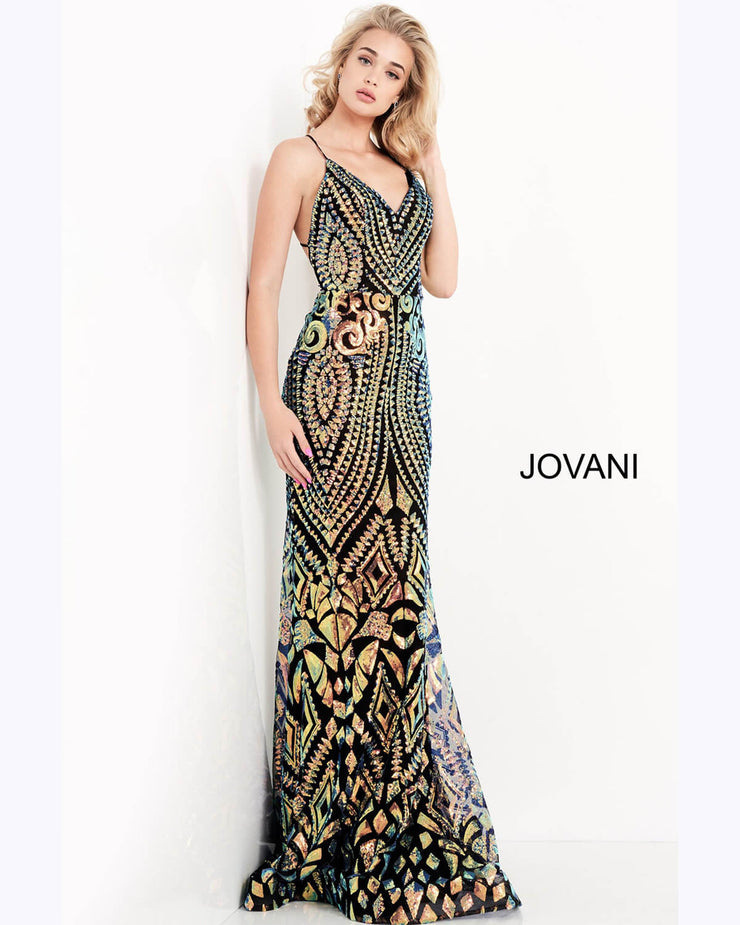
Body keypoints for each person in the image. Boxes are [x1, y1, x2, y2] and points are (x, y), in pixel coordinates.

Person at [242, 4, 522, 922]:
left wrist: (436, 168)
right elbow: (264, 285)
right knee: (333, 606)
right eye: (366, 60)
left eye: (394, 72)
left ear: (407, 90)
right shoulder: (298, 159)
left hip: (406, 404)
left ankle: (397, 816)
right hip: (330, 397)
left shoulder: (404, 168)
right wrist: (272, 402)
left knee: (399, 605)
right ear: (343, 64)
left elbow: (441, 280)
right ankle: (329, 832)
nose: (374, 79)